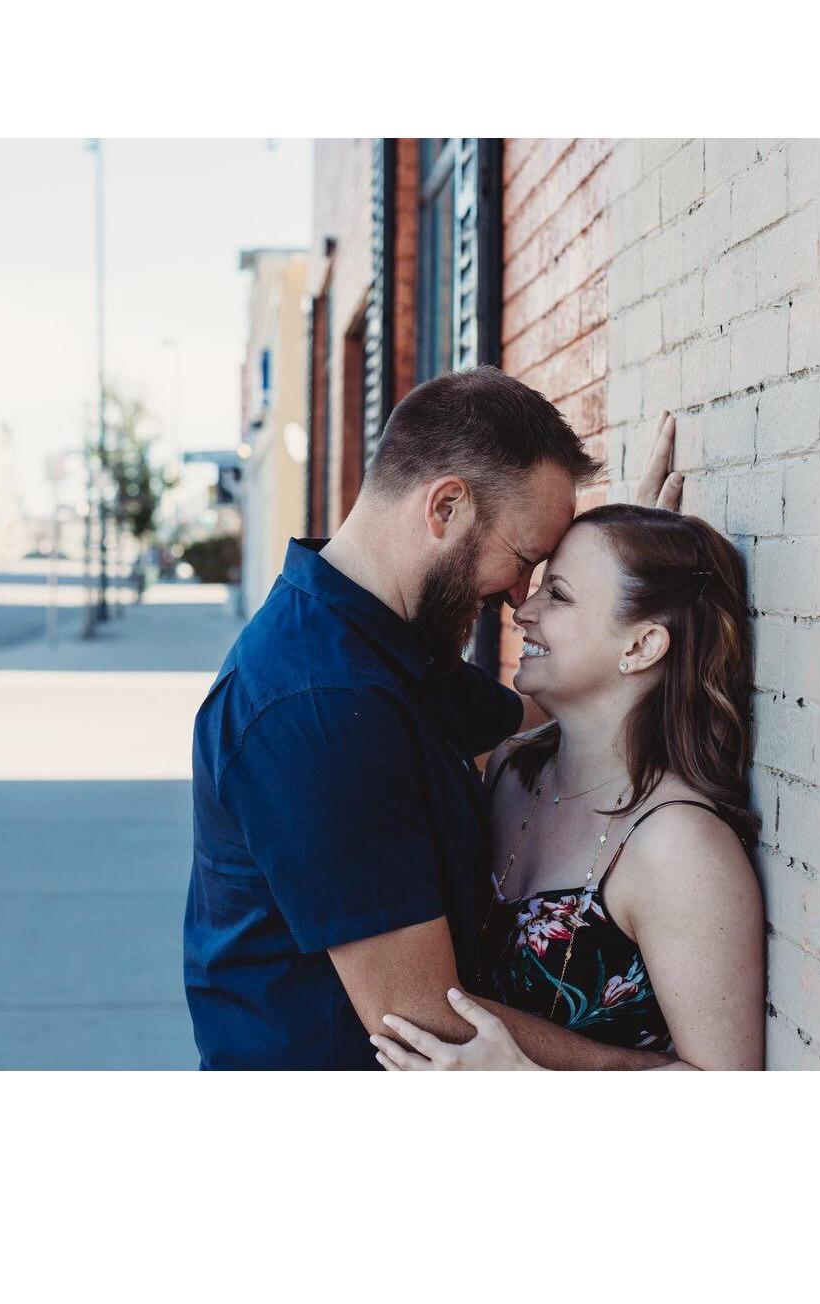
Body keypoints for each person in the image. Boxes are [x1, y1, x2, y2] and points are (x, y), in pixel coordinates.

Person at [184, 366, 682, 1069]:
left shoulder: (387, 645)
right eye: (523, 560)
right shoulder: (320, 707)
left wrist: (625, 592)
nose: (518, 597)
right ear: (445, 507)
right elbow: (423, 1018)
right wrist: (671, 1080)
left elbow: (540, 712)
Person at [370, 504, 765, 1071]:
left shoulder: (679, 849)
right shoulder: (511, 770)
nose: (521, 611)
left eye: (557, 593)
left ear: (640, 647)